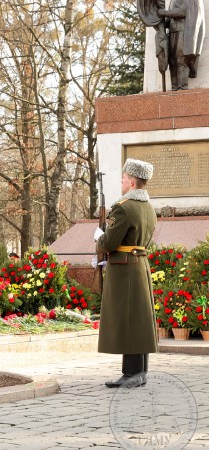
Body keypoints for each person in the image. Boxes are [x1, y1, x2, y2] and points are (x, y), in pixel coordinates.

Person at [95, 158, 158, 388]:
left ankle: (131, 374)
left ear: (132, 182)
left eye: (123, 179)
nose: (121, 182)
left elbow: (110, 242)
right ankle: (140, 372)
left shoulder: (123, 207)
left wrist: (99, 239)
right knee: (139, 319)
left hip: (124, 267)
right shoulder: (149, 208)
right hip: (140, 265)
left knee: (129, 319)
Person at [157, 0, 204, 90]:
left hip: (184, 31)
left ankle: (183, 88)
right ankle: (174, 88)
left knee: (181, 60)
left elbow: (183, 11)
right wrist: (162, 22)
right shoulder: (172, 1)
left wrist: (164, 12)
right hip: (172, 32)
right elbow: (169, 19)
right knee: (172, 61)